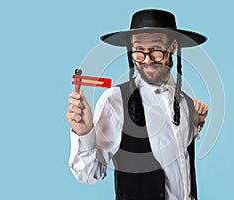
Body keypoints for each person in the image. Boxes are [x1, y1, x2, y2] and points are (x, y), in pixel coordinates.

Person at [66, 9, 208, 200]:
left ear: (173, 47)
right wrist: (84, 132)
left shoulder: (185, 103)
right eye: (139, 51)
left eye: (156, 50)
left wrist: (196, 121)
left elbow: (179, 158)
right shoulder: (114, 101)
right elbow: (89, 173)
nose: (147, 59)